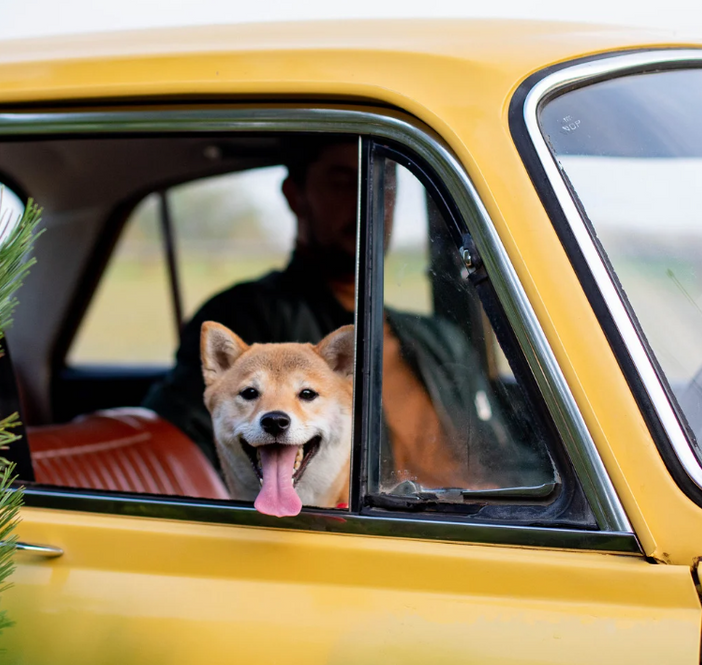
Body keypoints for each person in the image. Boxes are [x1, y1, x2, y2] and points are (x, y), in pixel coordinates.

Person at [143, 137, 543, 493]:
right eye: (342, 181)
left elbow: (506, 455)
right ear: (295, 195)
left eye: (382, 183)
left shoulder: (440, 339)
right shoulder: (247, 317)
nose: (367, 199)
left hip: (480, 526)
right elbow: (185, 441)